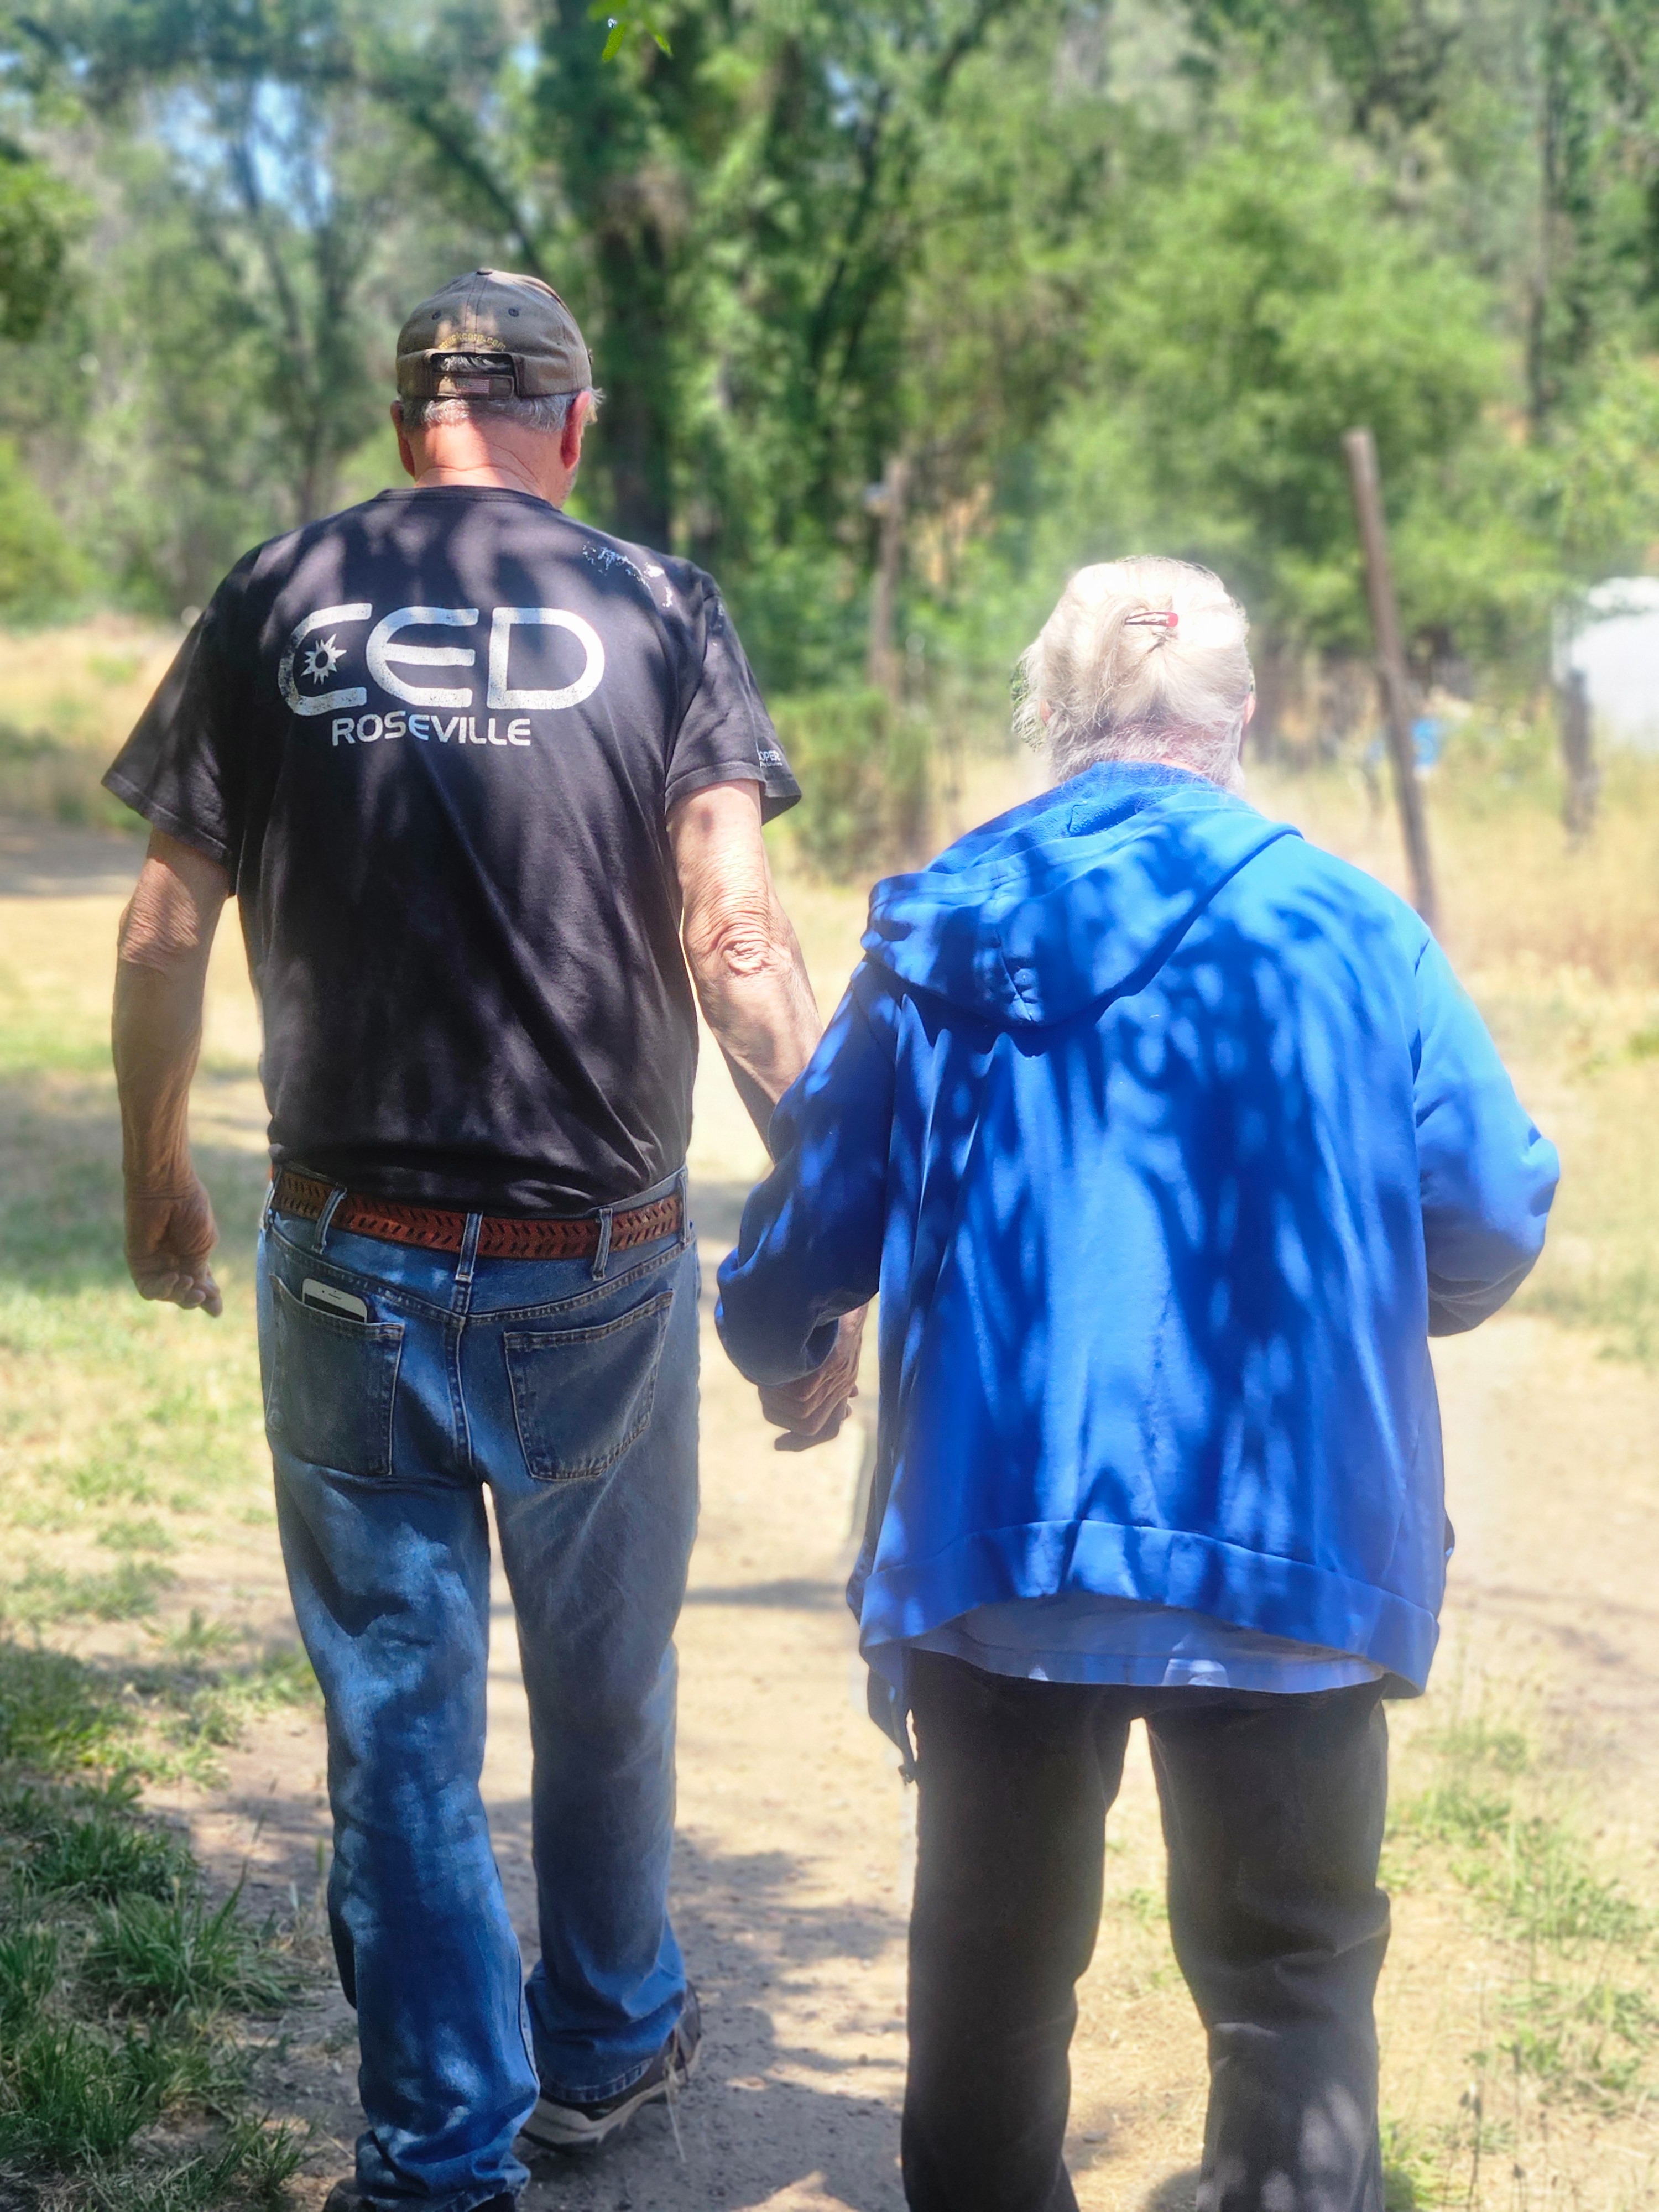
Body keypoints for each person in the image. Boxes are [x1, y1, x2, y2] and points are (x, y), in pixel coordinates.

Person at [106, 268, 859, 2212]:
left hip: (345, 1255)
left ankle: (440, 2159)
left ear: (403, 426)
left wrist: (157, 1177)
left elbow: (166, 927)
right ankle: (602, 2042)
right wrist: (833, 1211)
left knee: (398, 1725)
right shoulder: (661, 608)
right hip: (594, 1261)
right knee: (607, 1679)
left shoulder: (279, 595)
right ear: (572, 429)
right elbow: (739, 940)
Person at [716, 557, 1559, 2212]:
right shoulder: (1356, 927)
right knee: (1293, 1976)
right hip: (1293, 1536)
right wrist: (1386, 1313)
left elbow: (815, 1218)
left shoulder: (948, 921)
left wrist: (782, 1341)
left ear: (1050, 717)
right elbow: (1490, 1209)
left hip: (1005, 1549)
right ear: (1238, 718)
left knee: (989, 1968)